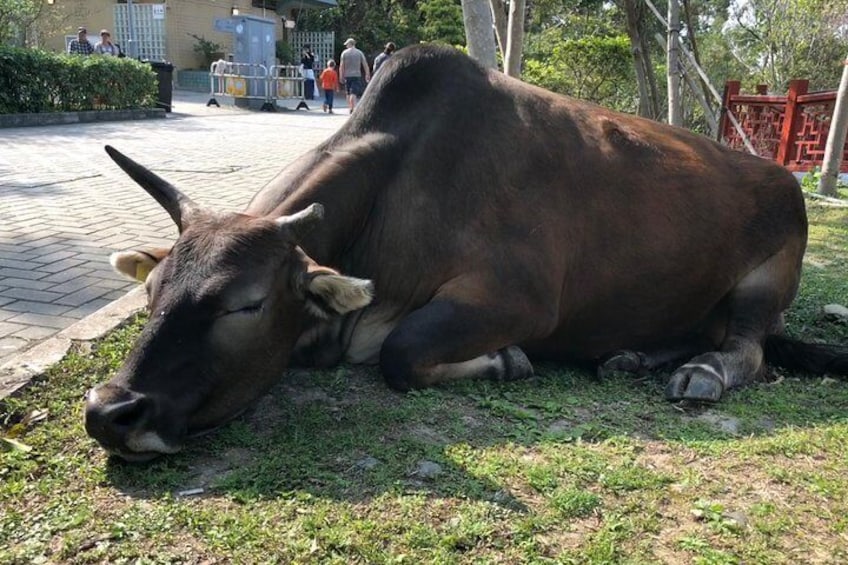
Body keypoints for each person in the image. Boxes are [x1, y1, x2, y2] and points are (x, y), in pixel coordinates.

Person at [338, 37, 370, 113]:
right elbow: (365, 64)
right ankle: (353, 107)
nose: (346, 46)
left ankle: (350, 107)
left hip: (347, 75)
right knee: (354, 93)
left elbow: (341, 66)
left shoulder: (344, 53)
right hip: (356, 75)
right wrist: (367, 74)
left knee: (348, 92)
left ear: (350, 44)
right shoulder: (359, 52)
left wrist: (341, 76)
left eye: (347, 44)